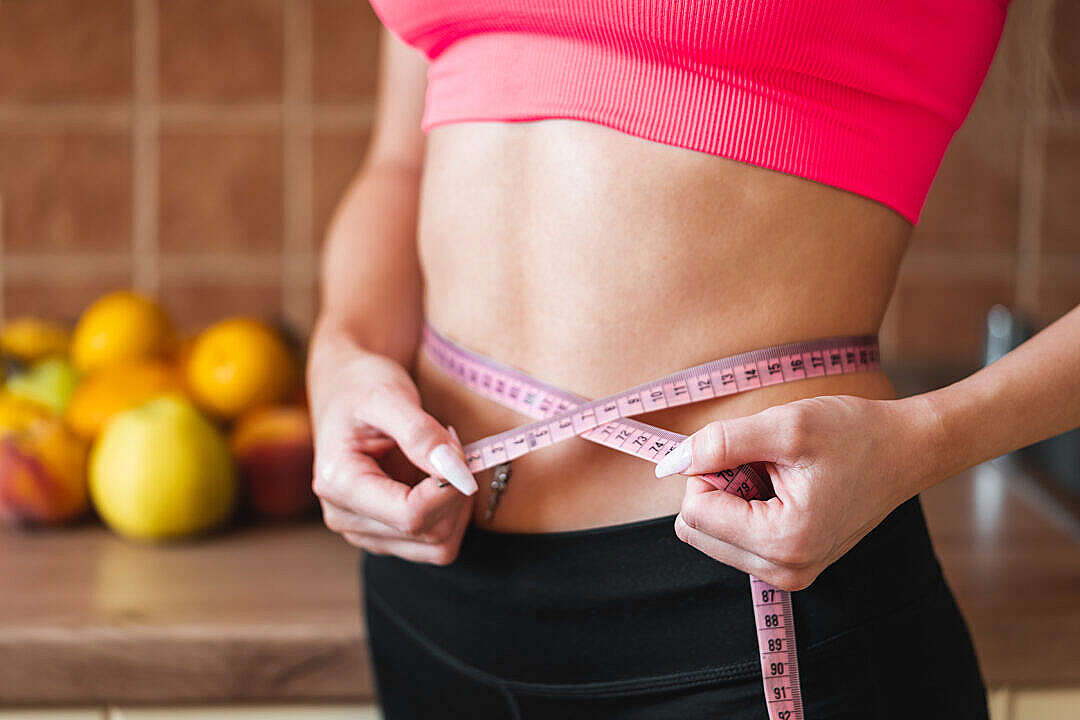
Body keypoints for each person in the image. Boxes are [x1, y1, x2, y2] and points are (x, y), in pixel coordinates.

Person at [308, 2, 1080, 717]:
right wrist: (343, 352)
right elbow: (396, 165)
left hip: (746, 593)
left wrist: (930, 438)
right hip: (428, 587)